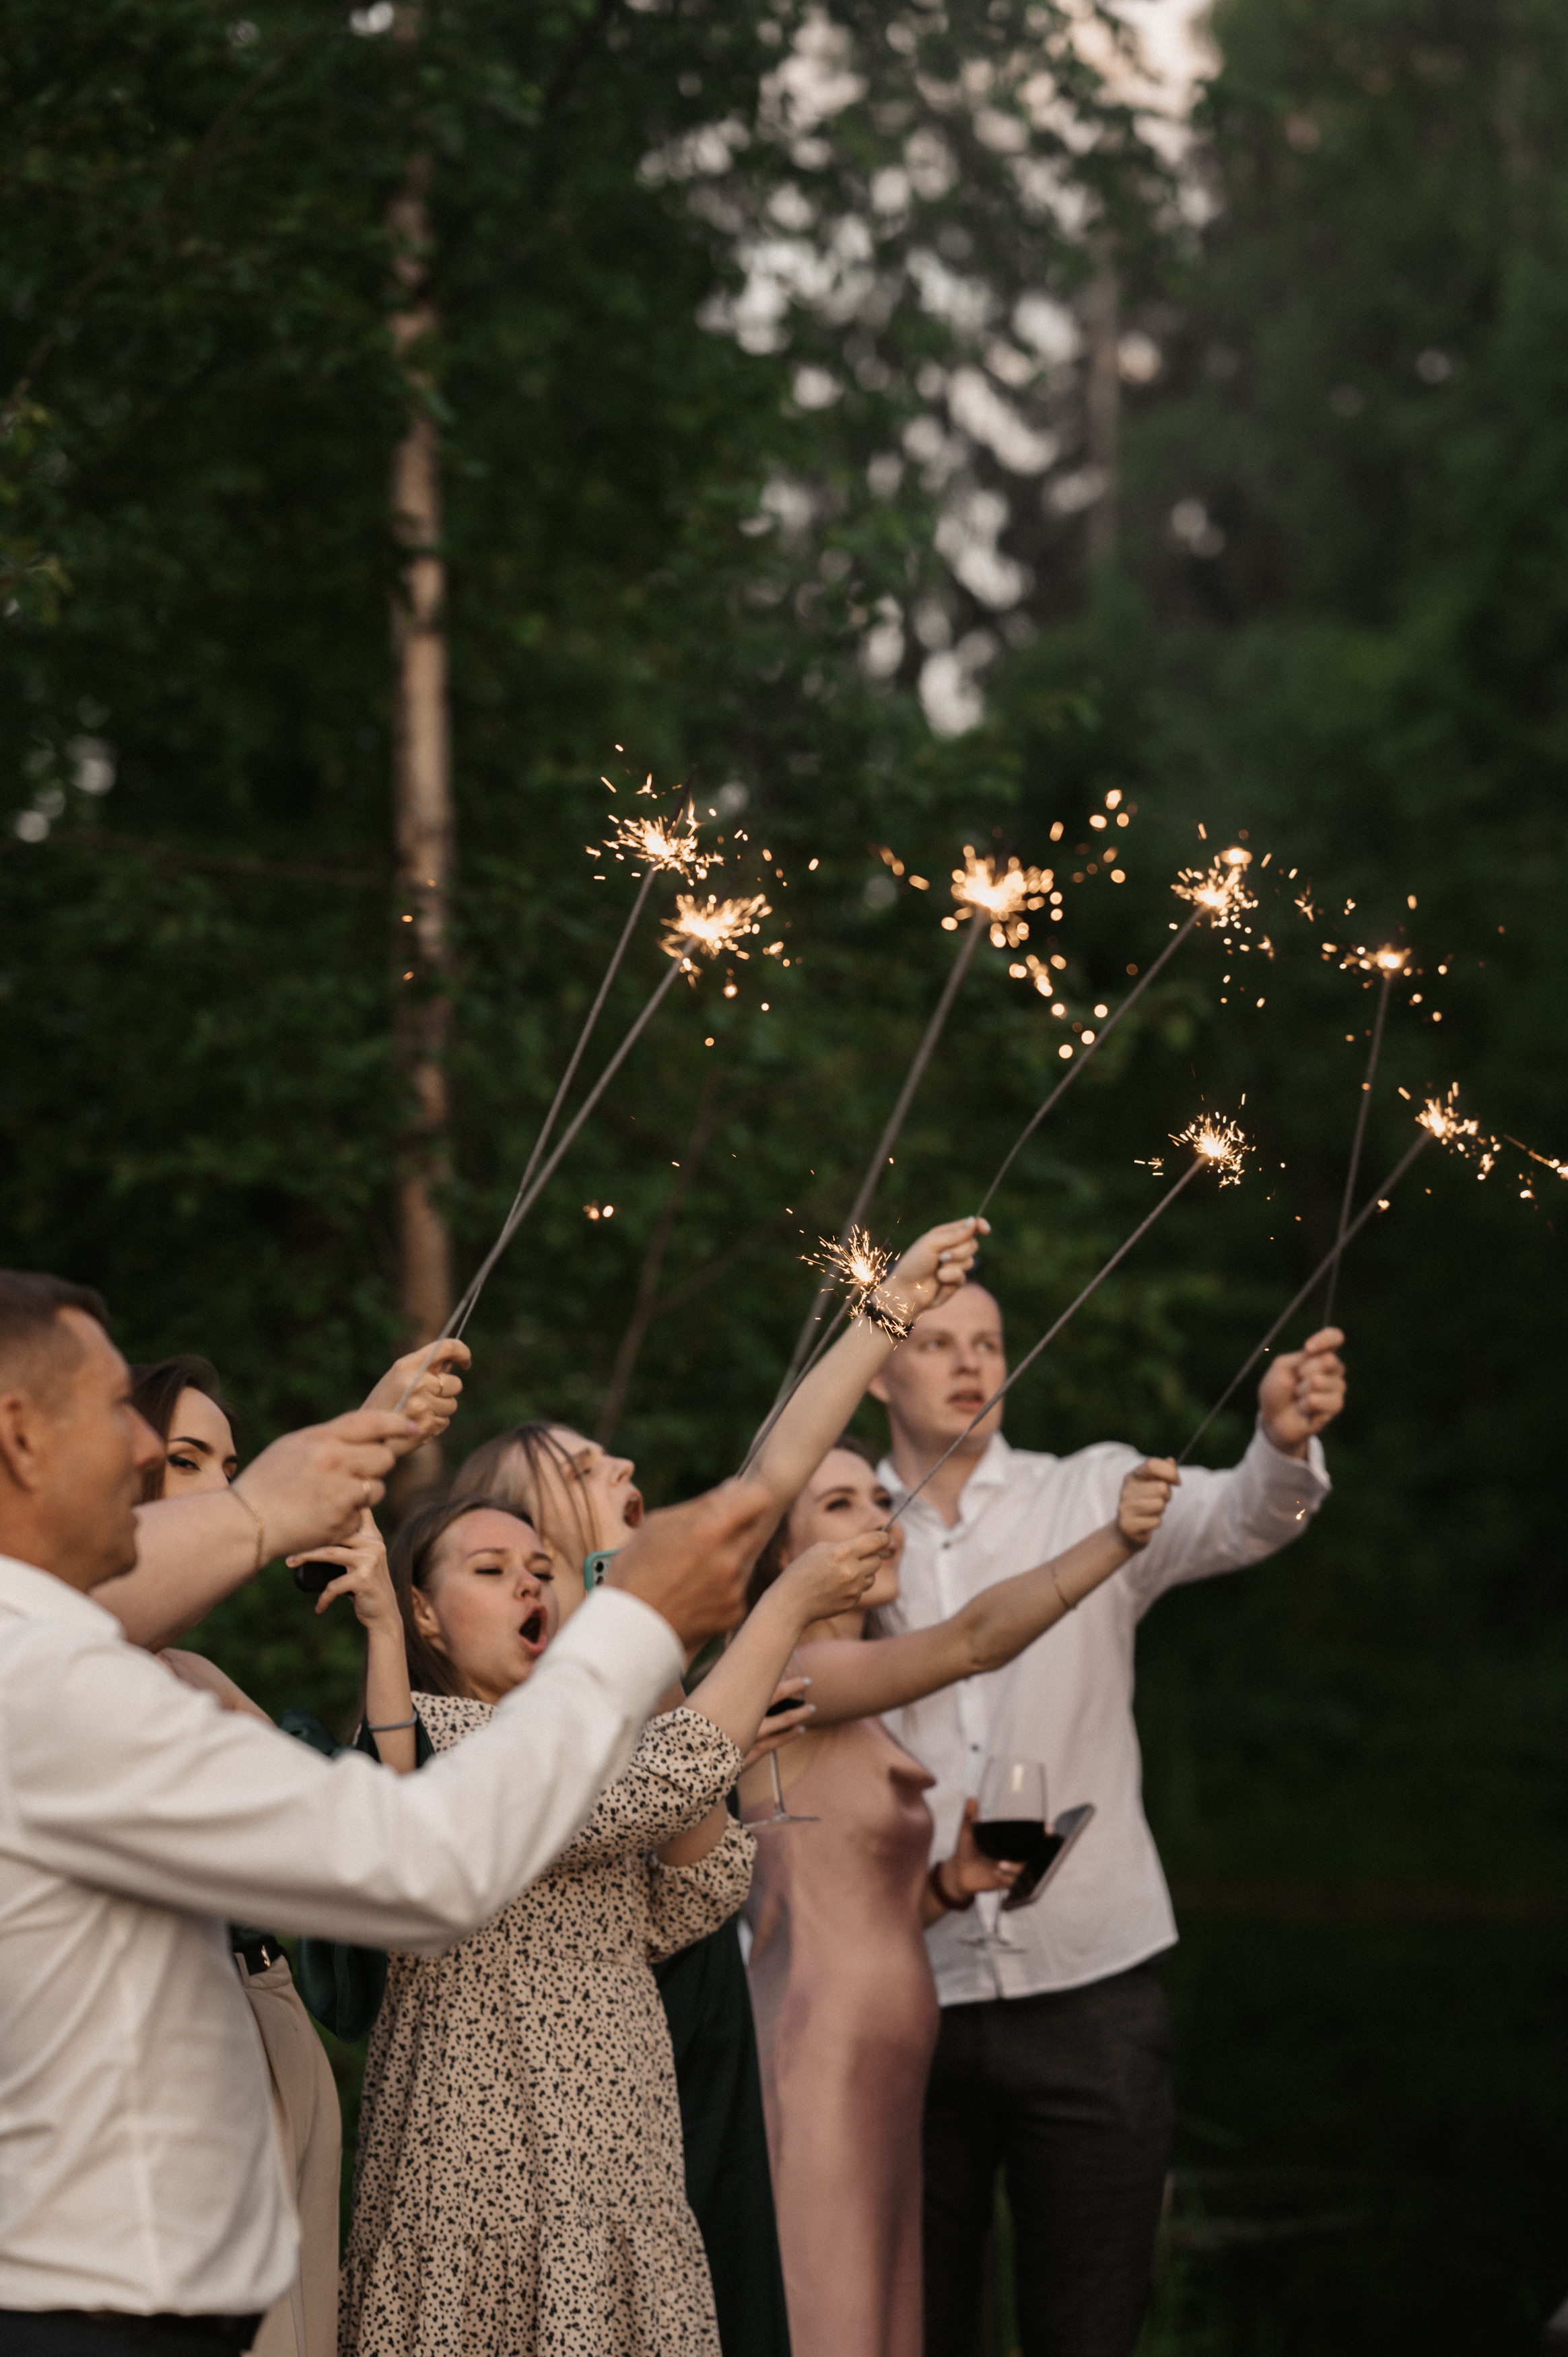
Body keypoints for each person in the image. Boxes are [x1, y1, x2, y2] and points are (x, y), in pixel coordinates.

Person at [0, 1269, 771, 2357]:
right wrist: (638, 1626)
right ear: (20, 1437)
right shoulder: (45, 1688)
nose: (140, 1447)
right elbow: (423, 1861)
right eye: (110, 1406)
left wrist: (279, 1497)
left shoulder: (45, 1658)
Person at [445, 1215, 990, 2357]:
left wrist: (885, 1306)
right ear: (529, 1523)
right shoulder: (530, 1696)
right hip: (573, 2075)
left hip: (698, 2020)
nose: (628, 1468)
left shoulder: (643, 1640)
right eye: (591, 1470)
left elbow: (770, 1476)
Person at [864, 1278, 1346, 2357]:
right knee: (924, 2329)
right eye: (938, 1342)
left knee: (1091, 2329)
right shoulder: (844, 1524)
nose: (970, 1364)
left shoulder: (1088, 1492)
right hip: (904, 1990)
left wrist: (1276, 1442)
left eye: (988, 1343)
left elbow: (1240, 1518)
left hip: (1092, 1986)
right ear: (882, 1370)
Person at [339, 1493, 881, 2357]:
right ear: (422, 1615)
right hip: (478, 2212)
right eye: (491, 1570)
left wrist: (671, 1686)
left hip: (616, 2199)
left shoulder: (601, 1750)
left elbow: (697, 1884)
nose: (530, 1583)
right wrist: (781, 1608)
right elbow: (654, 1791)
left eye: (543, 1570)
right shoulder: (427, 1739)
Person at [737, 1434, 1177, 2357]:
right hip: (823, 2059)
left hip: (888, 2069)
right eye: (840, 1506)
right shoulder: (798, 1674)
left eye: (876, 1498)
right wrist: (1114, 1542)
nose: (878, 1520)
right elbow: (976, 1641)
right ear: (781, 1557)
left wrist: (948, 1883)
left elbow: (840, 1900)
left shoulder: (862, 1690)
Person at [129, 1353, 415, 2357]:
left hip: (277, 2020)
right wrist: (360, 1438)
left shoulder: (195, 1674)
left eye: (231, 1465)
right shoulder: (70, 1655)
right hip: (183, 2055)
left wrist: (386, 1633)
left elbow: (371, 1840)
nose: (219, 1489)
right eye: (188, 1460)